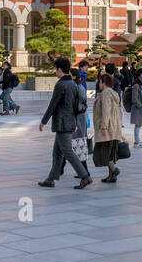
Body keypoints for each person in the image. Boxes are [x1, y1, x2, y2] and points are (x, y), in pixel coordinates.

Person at [37, 57, 91, 189]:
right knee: (57, 152)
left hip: (63, 123)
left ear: (60, 70)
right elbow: (75, 106)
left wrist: (44, 121)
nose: (55, 72)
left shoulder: (61, 84)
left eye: (56, 69)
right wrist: (75, 122)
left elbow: (53, 104)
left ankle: (85, 176)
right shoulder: (73, 84)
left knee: (67, 151)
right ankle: (51, 179)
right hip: (70, 122)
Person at [92, 72, 124, 183]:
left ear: (104, 83)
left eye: (100, 82)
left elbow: (106, 110)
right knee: (109, 152)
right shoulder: (114, 93)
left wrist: (104, 126)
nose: (99, 84)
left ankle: (114, 170)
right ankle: (111, 176)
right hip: (113, 127)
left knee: (103, 152)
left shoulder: (106, 93)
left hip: (107, 127)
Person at [128, 67, 142, 147]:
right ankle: (137, 142)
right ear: (138, 76)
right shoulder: (136, 85)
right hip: (138, 109)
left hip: (140, 109)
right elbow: (134, 99)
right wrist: (140, 105)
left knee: (138, 125)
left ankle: (137, 142)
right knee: (137, 125)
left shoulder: (141, 85)